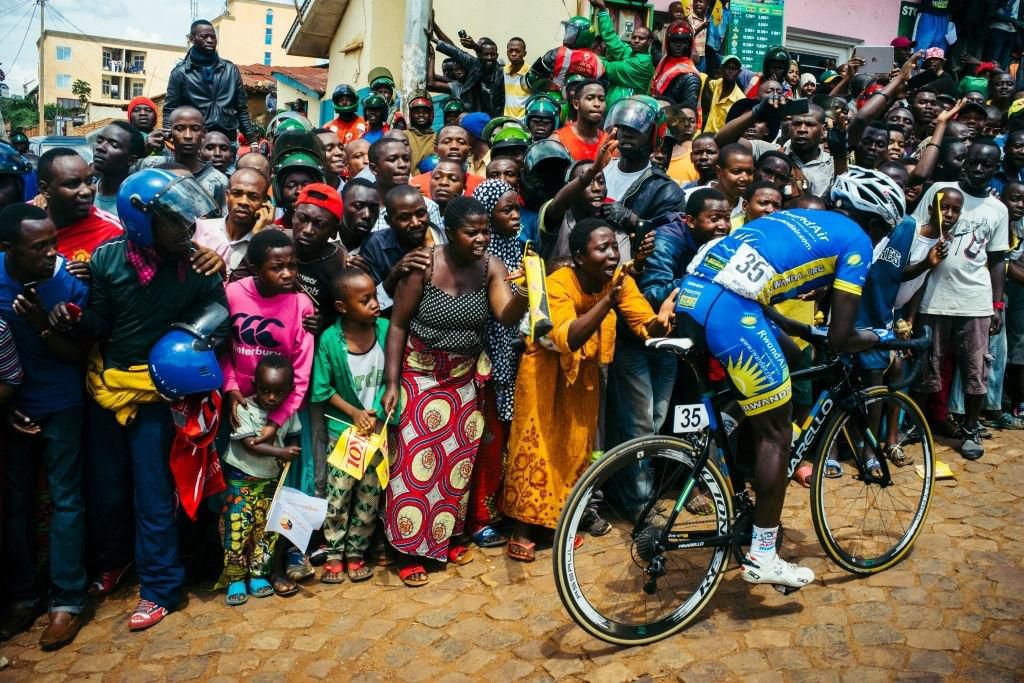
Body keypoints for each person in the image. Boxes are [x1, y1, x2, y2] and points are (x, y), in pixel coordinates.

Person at [674, 168, 906, 589]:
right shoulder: (856, 241)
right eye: (882, 232)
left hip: (694, 296)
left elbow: (752, 285)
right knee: (776, 436)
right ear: (874, 223)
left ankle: (722, 430)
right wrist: (883, 336)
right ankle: (764, 555)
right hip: (730, 310)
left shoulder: (791, 218)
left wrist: (797, 330)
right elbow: (841, 335)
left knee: (790, 354)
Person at [54, 168, 227, 630]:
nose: (188, 227)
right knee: (106, 489)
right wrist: (73, 318)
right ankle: (114, 562)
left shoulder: (198, 263)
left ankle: (161, 588)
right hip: (108, 389)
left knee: (154, 496)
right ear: (141, 223)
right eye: (175, 220)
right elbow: (101, 325)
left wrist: (197, 332)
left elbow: (220, 312)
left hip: (159, 395)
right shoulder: (107, 261)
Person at [504, 217, 675, 561]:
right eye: (603, 248)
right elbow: (568, 337)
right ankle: (522, 529)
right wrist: (607, 302)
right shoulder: (560, 282)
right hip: (544, 371)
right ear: (580, 256)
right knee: (537, 444)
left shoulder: (619, 283)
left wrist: (661, 321)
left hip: (584, 376)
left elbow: (644, 324)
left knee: (573, 447)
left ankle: (555, 525)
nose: (612, 254)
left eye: (614, 246)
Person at [379, 196, 528, 585]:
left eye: (485, 231)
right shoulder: (424, 266)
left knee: (454, 467)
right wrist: (392, 382)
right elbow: (397, 325)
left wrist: (524, 295)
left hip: (463, 377)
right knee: (412, 466)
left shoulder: (490, 268)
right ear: (449, 230)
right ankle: (406, 549)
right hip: (420, 373)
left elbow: (506, 315)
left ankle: (440, 541)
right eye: (471, 231)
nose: (481, 238)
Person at [0, 204, 89, 650]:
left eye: (54, 242)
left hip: (61, 404)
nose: (52, 252)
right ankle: (22, 597)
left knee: (66, 499)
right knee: (13, 504)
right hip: (12, 409)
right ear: (8, 249)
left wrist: (42, 326)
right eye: (39, 247)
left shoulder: (69, 280)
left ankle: (67, 602)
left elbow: (79, 354)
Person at [911, 140, 1010, 459]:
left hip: (975, 300)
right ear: (964, 161)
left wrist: (996, 304)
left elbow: (996, 260)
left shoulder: (998, 209)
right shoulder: (940, 190)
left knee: (975, 369)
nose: (978, 170)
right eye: (973, 162)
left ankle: (970, 429)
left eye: (987, 165)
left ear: (996, 169)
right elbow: (917, 232)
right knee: (929, 366)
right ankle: (923, 425)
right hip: (933, 296)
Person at [312, 268, 392, 583]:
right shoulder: (331, 340)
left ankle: (357, 553)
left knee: (369, 496)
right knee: (338, 495)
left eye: (375, 296)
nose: (375, 304)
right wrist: (354, 412)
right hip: (344, 434)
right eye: (365, 300)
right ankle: (334, 554)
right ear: (343, 307)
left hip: (377, 435)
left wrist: (379, 410)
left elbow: (394, 376)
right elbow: (321, 388)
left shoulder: (385, 330)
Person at [218, 354, 301, 606]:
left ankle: (258, 575)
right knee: (237, 531)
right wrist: (281, 452)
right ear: (254, 385)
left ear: (290, 390)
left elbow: (294, 436)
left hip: (269, 483)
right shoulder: (243, 408)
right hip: (240, 481)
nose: (272, 397)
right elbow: (250, 445)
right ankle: (235, 579)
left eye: (278, 392)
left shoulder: (287, 413)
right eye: (265, 390)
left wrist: (292, 450)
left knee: (266, 531)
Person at [469, 179, 522, 546]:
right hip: (490, 361)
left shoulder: (522, 249)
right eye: (507, 209)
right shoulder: (480, 259)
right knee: (488, 441)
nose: (516, 215)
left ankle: (508, 509)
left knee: (513, 439)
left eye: (517, 207)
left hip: (521, 355)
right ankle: (480, 517)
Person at [163, 19, 257, 144]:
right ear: (192, 39)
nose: (210, 40)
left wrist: (252, 140)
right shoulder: (180, 73)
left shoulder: (230, 70)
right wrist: (168, 135)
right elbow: (170, 109)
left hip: (227, 141)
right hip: (195, 142)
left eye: (213, 36)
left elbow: (241, 109)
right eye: (204, 36)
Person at [36, 149, 123, 265]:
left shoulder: (113, 232)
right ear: (45, 190)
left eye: (89, 181)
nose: (86, 191)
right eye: (72, 184)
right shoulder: (22, 220)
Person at [140, 106, 228, 213]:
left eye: (195, 129)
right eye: (179, 129)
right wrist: (143, 150)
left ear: (204, 133)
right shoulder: (152, 165)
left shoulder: (218, 181)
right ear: (170, 133)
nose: (187, 136)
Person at [361, 185, 437, 310]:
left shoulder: (442, 239)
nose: (415, 223)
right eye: (404, 218)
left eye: (420, 213)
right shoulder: (375, 244)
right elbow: (371, 304)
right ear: (388, 221)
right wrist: (395, 274)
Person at [193, 168, 273, 275]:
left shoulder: (269, 243)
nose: (243, 202)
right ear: (227, 196)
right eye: (236, 193)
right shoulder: (201, 228)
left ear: (265, 203)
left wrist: (257, 237)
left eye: (253, 197)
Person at [429, 23, 504, 117]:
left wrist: (475, 47)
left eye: (492, 54)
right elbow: (455, 51)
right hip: (476, 115)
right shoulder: (475, 66)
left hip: (495, 117)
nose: (489, 57)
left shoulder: (501, 70)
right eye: (485, 53)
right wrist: (433, 38)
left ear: (496, 55)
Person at [368, 138, 443, 232]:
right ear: (374, 169)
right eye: (392, 160)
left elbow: (438, 243)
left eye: (406, 159)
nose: (402, 165)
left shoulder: (428, 207)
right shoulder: (363, 209)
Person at [591, 0, 654, 107]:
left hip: (630, 113)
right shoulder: (630, 52)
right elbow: (611, 39)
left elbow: (610, 68)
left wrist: (588, 56)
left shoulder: (643, 63)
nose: (636, 40)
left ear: (650, 42)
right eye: (634, 37)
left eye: (641, 38)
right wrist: (602, 10)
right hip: (613, 110)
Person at [92, 122, 146, 216]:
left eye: (113, 145)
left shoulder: (137, 204)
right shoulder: (83, 196)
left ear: (131, 160)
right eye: (99, 141)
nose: (100, 147)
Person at [651, 22, 702, 116]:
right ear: (667, 43)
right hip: (659, 117)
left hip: (673, 124)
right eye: (674, 41)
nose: (678, 45)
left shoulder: (691, 76)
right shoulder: (664, 61)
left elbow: (687, 114)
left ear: (689, 45)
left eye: (683, 42)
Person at [552, 80, 608, 162]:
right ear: (576, 104)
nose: (597, 104)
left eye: (601, 99)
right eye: (590, 98)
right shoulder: (558, 140)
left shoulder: (609, 142)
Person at [786, 105, 835, 197]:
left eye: (810, 124)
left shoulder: (833, 165)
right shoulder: (772, 152)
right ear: (789, 127)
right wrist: (759, 111)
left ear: (823, 130)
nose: (802, 129)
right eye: (797, 124)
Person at [702, 55, 746, 135]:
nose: (730, 71)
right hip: (706, 134)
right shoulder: (717, 84)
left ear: (739, 72)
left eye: (734, 69)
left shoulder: (740, 99)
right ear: (721, 69)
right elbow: (705, 80)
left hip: (721, 141)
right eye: (727, 67)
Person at [338, 179, 380, 259]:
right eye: (358, 206)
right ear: (341, 204)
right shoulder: (322, 239)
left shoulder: (380, 252)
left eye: (373, 208)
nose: (367, 215)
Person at [406, 94, 437, 170]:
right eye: (417, 112)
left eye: (425, 112)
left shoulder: (437, 138)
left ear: (430, 115)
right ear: (411, 115)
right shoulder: (404, 135)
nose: (421, 115)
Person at [503, 37, 531, 119]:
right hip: (506, 122)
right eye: (510, 51)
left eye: (517, 51)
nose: (514, 54)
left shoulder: (530, 73)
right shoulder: (503, 71)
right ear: (507, 52)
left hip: (523, 124)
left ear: (524, 53)